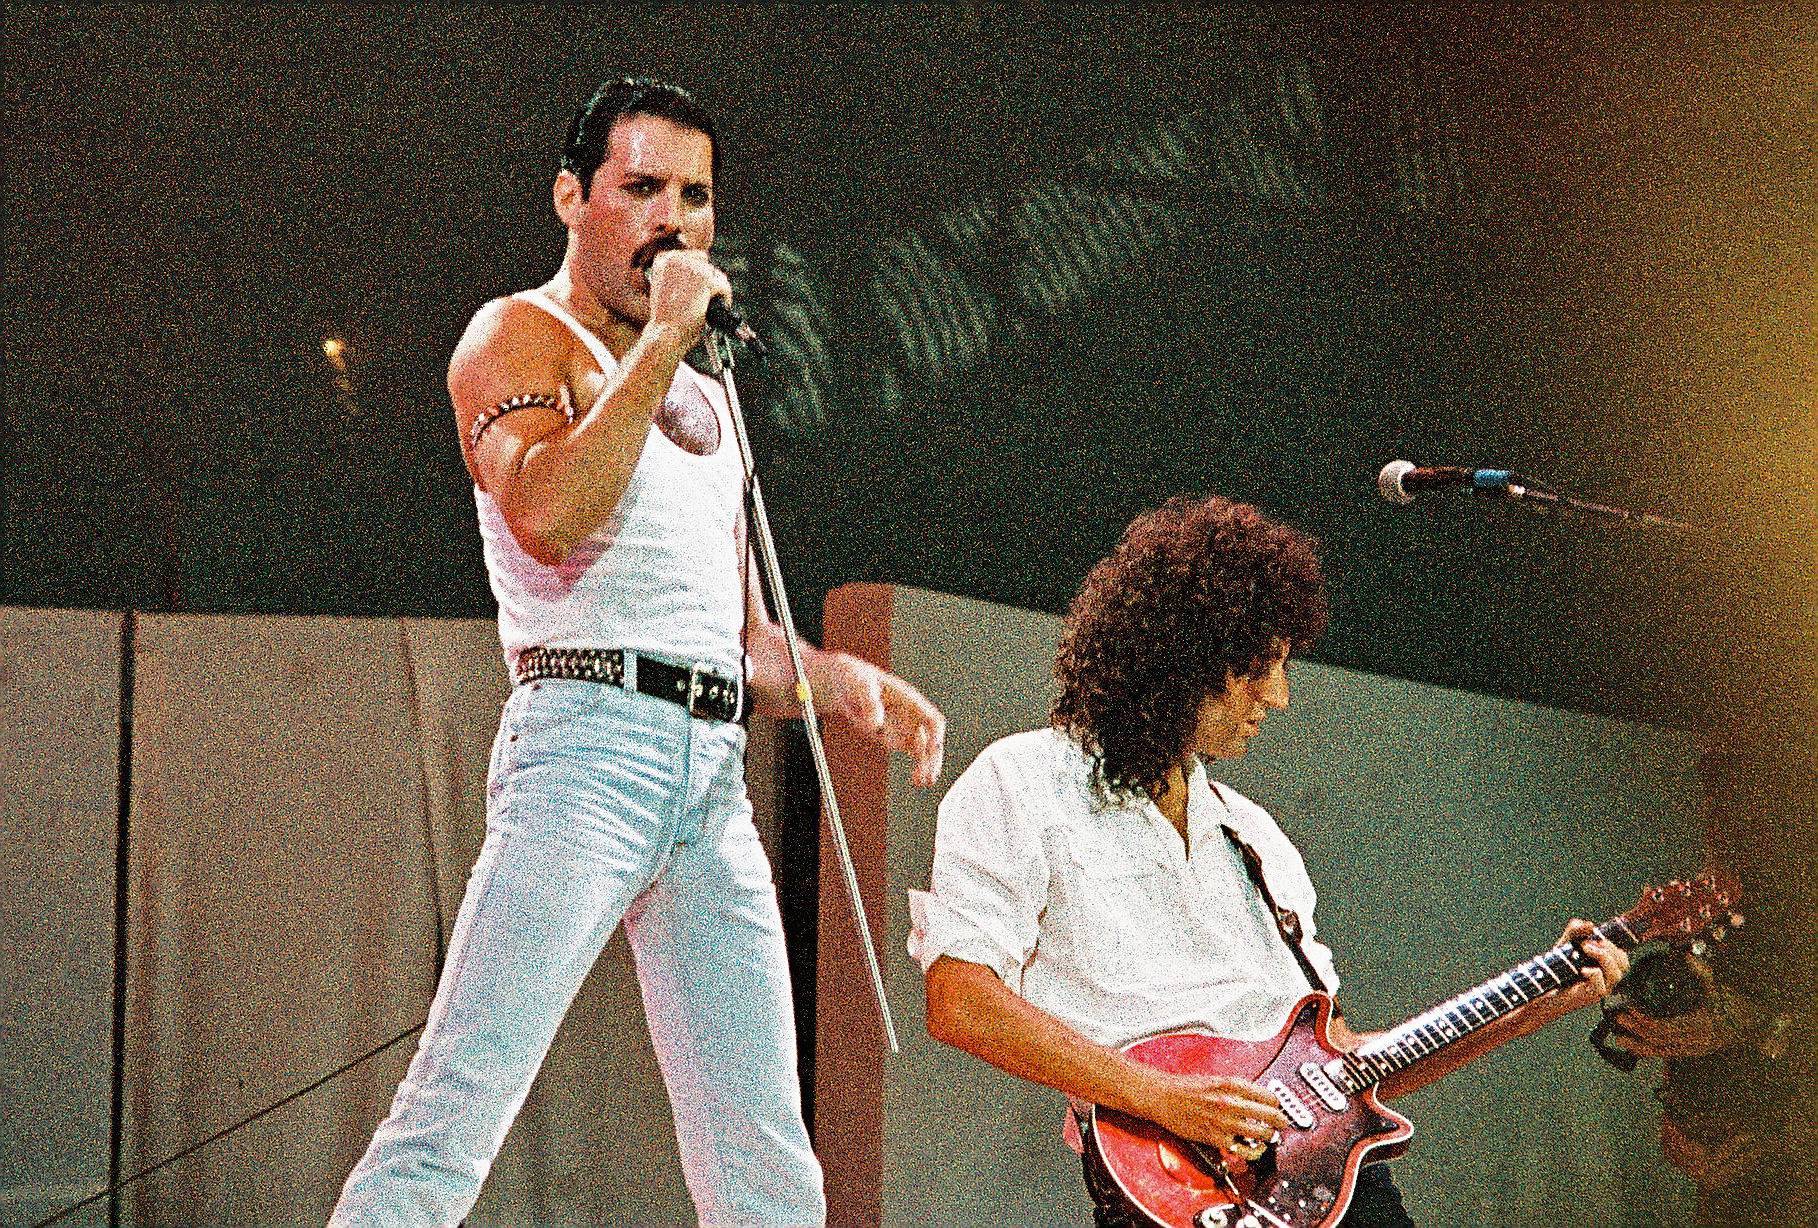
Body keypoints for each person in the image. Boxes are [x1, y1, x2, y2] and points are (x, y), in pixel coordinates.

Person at [331, 77, 945, 1227]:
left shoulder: (709, 395)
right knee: (456, 1109)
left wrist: (836, 677)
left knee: (765, 1146)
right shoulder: (519, 334)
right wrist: (662, 337)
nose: (675, 218)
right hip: (584, 752)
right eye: (643, 187)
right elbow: (550, 514)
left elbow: (724, 632)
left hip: (709, 773)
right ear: (573, 196)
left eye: (698, 196)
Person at [907, 495, 1627, 1228]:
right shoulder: (1022, 781)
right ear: (1183, 655)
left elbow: (1344, 1067)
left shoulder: (1254, 836)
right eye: (1259, 668)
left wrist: (1538, 1003)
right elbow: (960, 1000)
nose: (1278, 699)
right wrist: (1158, 1096)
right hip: (1178, 1189)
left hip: (1329, 1189)